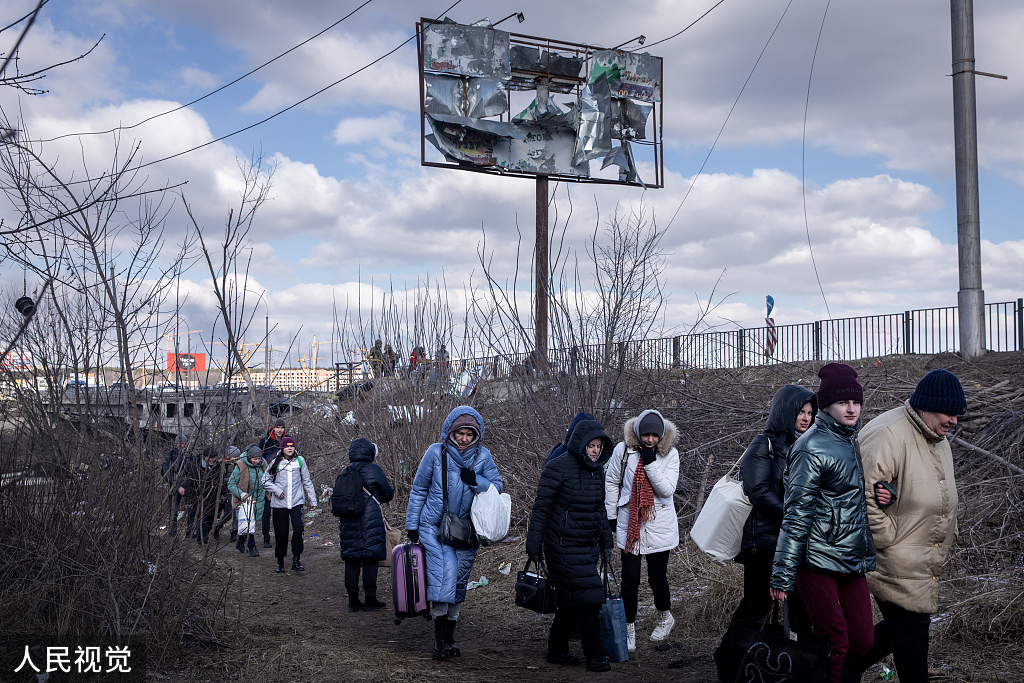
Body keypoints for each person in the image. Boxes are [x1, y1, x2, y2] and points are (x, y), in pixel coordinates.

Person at [847, 369, 966, 683]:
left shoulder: (936, 436)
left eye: (958, 414)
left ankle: (845, 668)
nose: (954, 421)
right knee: (913, 640)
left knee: (904, 629)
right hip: (894, 559)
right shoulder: (887, 433)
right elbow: (860, 495)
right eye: (949, 413)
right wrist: (885, 537)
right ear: (926, 406)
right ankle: (845, 668)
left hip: (923, 556)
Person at [770, 363, 875, 683]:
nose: (852, 408)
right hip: (815, 559)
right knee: (835, 642)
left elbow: (846, 496)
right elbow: (796, 514)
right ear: (826, 405)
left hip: (849, 555)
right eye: (844, 402)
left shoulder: (848, 439)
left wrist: (885, 494)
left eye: (856, 402)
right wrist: (782, 574)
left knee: (863, 641)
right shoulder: (810, 447)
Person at [405, 406, 502, 661]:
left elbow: (496, 488)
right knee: (444, 576)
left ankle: (449, 637)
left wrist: (476, 480)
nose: (464, 439)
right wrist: (412, 524)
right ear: (451, 431)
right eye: (460, 433)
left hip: (467, 531)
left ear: (476, 435)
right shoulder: (436, 453)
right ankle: (439, 639)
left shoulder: (483, 457)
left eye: (470, 434)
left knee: (458, 582)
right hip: (434, 527)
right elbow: (419, 489)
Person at [527, 418, 615, 672]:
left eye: (599, 446)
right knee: (588, 597)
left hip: (586, 546)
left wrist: (606, 545)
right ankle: (595, 656)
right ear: (580, 444)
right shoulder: (557, 468)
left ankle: (556, 649)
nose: (596, 450)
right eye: (591, 445)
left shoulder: (597, 471)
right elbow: (541, 509)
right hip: (560, 545)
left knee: (570, 599)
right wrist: (534, 545)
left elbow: (600, 509)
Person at [730, 385, 817, 624]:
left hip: (791, 539)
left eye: (810, 413)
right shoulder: (764, 444)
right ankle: (731, 658)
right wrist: (793, 516)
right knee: (757, 604)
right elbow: (758, 491)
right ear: (785, 411)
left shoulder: (805, 446)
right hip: (764, 541)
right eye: (801, 412)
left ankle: (793, 658)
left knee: (802, 606)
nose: (806, 418)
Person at [604, 409, 680, 651]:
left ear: (661, 435)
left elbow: (666, 490)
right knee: (630, 581)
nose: (649, 440)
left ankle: (665, 617)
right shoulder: (622, 451)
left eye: (654, 435)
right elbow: (612, 481)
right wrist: (611, 516)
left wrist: (649, 462)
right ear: (637, 433)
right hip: (630, 525)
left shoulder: (670, 455)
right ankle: (628, 627)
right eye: (645, 435)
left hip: (660, 526)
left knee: (657, 579)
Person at [338, 437, 395, 612]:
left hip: (348, 519)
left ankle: (353, 600)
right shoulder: (375, 470)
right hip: (371, 520)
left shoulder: (344, 471)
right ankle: (370, 598)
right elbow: (388, 494)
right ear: (370, 452)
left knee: (352, 558)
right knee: (370, 557)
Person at [262, 436, 317, 573]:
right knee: (281, 533)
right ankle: (280, 561)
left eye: (292, 446)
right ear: (282, 448)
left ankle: (296, 559)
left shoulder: (300, 461)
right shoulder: (276, 462)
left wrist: (313, 500)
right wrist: (276, 490)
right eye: (287, 446)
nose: (290, 448)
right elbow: (265, 480)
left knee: (298, 530)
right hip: (279, 504)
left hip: (297, 502)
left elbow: (307, 481)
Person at [228, 444, 268, 557]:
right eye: (255, 459)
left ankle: (240, 542)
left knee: (248, 524)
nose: (257, 461)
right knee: (248, 524)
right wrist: (242, 494)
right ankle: (252, 546)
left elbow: (268, 478)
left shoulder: (263, 464)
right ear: (249, 458)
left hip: (259, 499)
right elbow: (231, 484)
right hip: (244, 500)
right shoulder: (240, 465)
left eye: (259, 458)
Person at [259, 418, 286, 548]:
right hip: (268, 477)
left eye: (282, 427)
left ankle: (279, 536)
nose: (280, 430)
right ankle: (266, 538)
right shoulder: (265, 441)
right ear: (273, 428)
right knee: (266, 511)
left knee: (279, 511)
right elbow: (259, 459)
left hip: (282, 479)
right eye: (277, 427)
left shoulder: (287, 441)